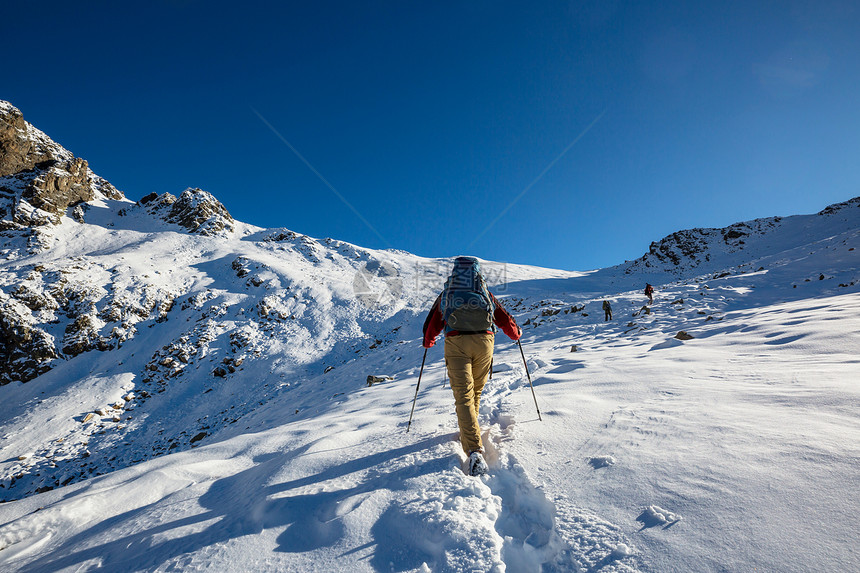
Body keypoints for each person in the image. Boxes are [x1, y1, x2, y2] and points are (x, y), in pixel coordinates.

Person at [423, 256, 521, 476]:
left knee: (463, 394)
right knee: (475, 390)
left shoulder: (448, 293)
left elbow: (432, 324)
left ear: (455, 271)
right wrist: (516, 335)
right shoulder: (484, 292)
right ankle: (471, 433)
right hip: (484, 342)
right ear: (477, 271)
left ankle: (474, 448)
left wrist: (428, 341)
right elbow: (503, 318)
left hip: (456, 342)